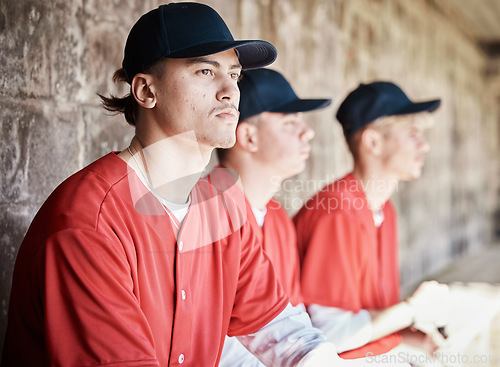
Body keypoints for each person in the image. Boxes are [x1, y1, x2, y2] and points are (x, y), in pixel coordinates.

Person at [1, 4, 409, 367]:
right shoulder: (88, 223)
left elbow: (282, 332)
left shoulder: (222, 209)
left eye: (233, 74)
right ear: (146, 90)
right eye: (204, 70)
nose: (230, 89)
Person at [294, 81, 450, 362]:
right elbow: (330, 335)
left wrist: (404, 332)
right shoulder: (336, 210)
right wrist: (413, 308)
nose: (424, 145)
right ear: (373, 142)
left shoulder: (383, 209)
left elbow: (365, 316)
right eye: (412, 133)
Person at [216, 68, 331, 366]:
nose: (308, 132)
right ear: (249, 137)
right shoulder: (206, 214)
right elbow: (206, 341)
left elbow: (294, 317)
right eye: (290, 122)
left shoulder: (278, 219)